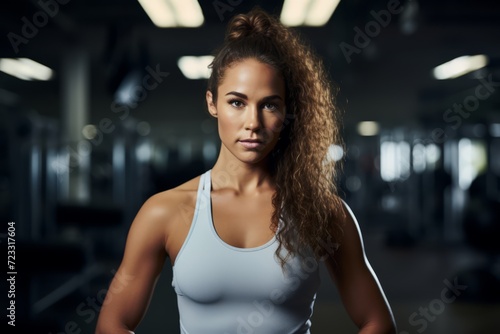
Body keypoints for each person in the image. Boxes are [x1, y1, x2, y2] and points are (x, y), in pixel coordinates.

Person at [95, 8, 396, 334]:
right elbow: (113, 324)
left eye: (269, 104)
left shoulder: (322, 211)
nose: (253, 123)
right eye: (237, 102)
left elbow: (377, 322)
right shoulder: (164, 212)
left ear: (287, 111)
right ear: (212, 103)